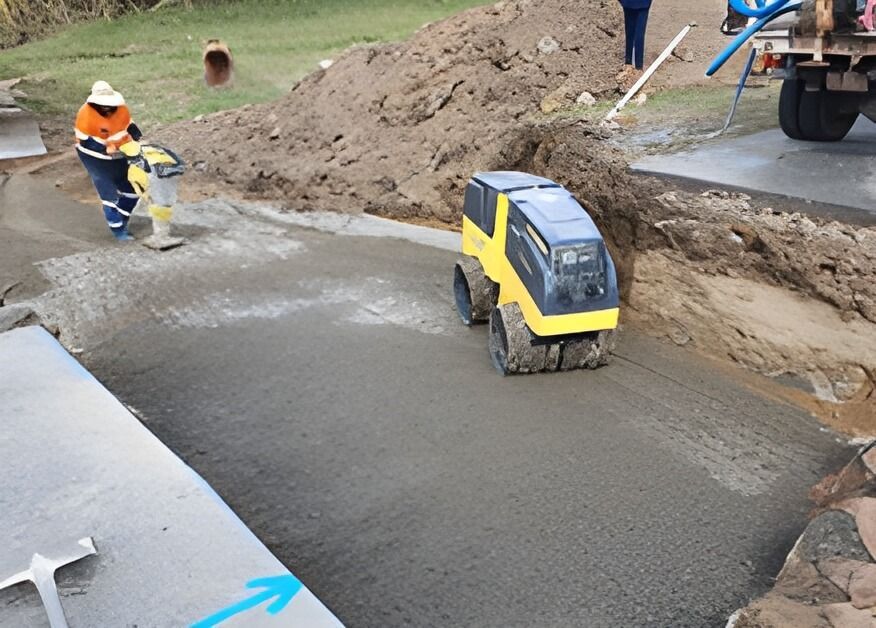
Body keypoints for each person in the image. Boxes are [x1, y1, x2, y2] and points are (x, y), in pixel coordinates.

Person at [75, 81, 142, 241]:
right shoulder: (85, 116)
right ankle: (118, 231)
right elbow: (87, 143)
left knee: (132, 190)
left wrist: (138, 140)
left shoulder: (121, 109)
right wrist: (109, 149)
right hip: (95, 159)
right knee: (109, 195)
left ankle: (122, 218)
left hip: (120, 155)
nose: (107, 108)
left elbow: (130, 126)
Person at [619, 0, 653, 71]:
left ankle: (629, 61)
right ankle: (638, 65)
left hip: (628, 3)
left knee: (629, 33)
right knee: (639, 33)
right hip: (643, 3)